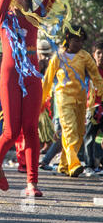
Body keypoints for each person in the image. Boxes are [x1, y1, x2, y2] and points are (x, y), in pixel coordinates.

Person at [0, 0, 57, 197]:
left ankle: (32, 183)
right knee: (11, 131)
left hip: (32, 75)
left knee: (31, 128)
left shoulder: (36, 18)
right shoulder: (3, 18)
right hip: (10, 74)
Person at [42, 27, 103, 178]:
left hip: (82, 100)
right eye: (76, 40)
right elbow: (48, 80)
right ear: (68, 40)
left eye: (81, 41)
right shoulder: (58, 57)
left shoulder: (85, 56)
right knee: (70, 131)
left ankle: (63, 164)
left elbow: (96, 76)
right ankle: (74, 164)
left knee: (79, 133)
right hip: (63, 99)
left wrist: (101, 92)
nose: (79, 44)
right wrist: (41, 101)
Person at [82, 41, 103, 176]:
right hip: (91, 108)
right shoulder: (88, 69)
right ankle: (89, 165)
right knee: (89, 137)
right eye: (99, 53)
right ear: (93, 54)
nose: (101, 56)